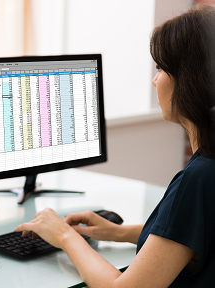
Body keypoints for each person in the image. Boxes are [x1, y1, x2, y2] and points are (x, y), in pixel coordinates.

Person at [15, 5, 215, 288]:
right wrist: (117, 232)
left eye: (161, 68)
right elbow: (190, 236)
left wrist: (64, 235)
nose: (155, 80)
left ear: (192, 80)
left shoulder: (199, 177)